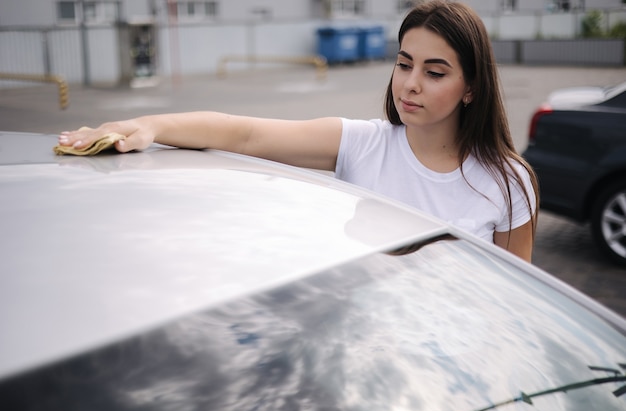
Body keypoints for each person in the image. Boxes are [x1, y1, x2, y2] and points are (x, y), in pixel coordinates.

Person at [58, 0, 539, 262]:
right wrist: (148, 124)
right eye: (403, 64)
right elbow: (243, 134)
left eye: (435, 73)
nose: (410, 85)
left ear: (471, 88)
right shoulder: (363, 143)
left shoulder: (507, 182)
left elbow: (518, 297)